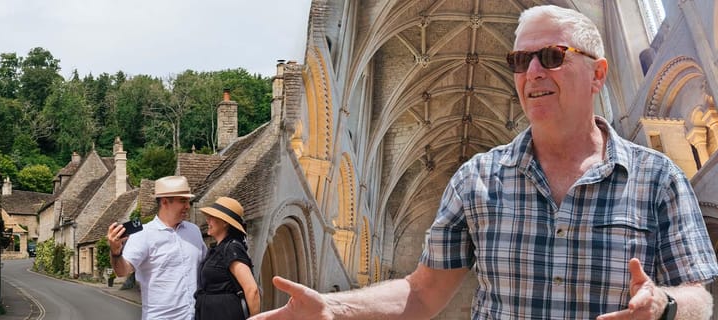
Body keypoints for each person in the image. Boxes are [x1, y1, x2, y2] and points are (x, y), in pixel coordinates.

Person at [252, 5, 718, 320]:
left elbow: (701, 296)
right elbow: (423, 291)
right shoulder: (476, 180)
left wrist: (666, 304)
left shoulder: (658, 178)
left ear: (598, 73)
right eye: (520, 60)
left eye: (552, 56)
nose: (532, 72)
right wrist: (336, 309)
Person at [107, 176, 207, 320]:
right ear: (165, 202)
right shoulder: (143, 235)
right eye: (183, 201)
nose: (188, 206)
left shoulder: (194, 231)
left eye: (188, 201)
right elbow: (122, 271)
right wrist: (115, 252)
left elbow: (206, 268)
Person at [194, 197, 261, 319]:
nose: (207, 220)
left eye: (212, 217)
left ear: (225, 222)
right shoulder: (218, 249)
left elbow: (252, 289)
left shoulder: (232, 248)